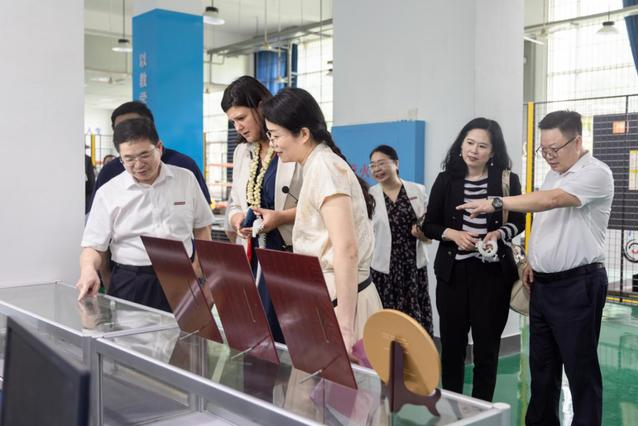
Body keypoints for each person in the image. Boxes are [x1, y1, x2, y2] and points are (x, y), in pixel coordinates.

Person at [458, 111, 613, 424]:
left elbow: (551, 201)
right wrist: (531, 259)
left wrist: (497, 202)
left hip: (578, 285)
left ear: (577, 141)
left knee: (580, 369)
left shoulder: (596, 173)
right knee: (542, 368)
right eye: (544, 149)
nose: (549, 156)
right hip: (542, 284)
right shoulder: (553, 175)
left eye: (555, 149)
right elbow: (545, 221)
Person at [261, 87, 382, 353]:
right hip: (328, 300)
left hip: (342, 306)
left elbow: (346, 249)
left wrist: (345, 327)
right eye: (270, 136)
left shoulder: (325, 167)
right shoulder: (317, 165)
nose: (273, 144)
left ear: (303, 134)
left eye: (276, 136)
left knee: (345, 379)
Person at [422, 117, 524, 402]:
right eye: (469, 143)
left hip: (492, 277)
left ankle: (482, 410)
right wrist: (453, 234)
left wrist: (498, 234)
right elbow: (429, 225)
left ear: (493, 152)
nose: (473, 150)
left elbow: (519, 221)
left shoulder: (507, 180)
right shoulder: (446, 180)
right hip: (452, 275)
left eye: (482, 146)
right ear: (461, 143)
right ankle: (452, 407)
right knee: (452, 348)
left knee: (486, 349)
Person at [76, 118, 214, 312]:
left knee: (188, 331)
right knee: (130, 332)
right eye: (129, 159)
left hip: (183, 276)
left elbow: (202, 227)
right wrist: (88, 270)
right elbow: (93, 246)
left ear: (159, 147)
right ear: (120, 158)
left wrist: (200, 271)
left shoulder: (185, 179)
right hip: (133, 282)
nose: (138, 164)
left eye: (144, 155)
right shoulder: (108, 192)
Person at [221, 76, 302, 343]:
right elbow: (235, 203)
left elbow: (318, 205)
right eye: (233, 121)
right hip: (252, 255)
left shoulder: (293, 147)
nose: (238, 127)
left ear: (260, 106)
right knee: (253, 333)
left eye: (241, 118)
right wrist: (237, 220)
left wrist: (281, 218)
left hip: (289, 255)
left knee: (287, 334)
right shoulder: (242, 152)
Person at [91, 101, 211, 207]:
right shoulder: (109, 172)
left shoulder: (184, 165)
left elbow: (202, 214)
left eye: (134, 125)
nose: (128, 131)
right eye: (120, 129)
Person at [368, 145, 433, 336]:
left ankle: (418, 353)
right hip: (383, 269)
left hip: (412, 267)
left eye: (381, 163)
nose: (377, 169)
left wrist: (423, 233)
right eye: (372, 165)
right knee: (387, 317)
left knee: (414, 316)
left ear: (396, 163)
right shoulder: (370, 195)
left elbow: (429, 228)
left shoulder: (417, 190)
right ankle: (387, 354)